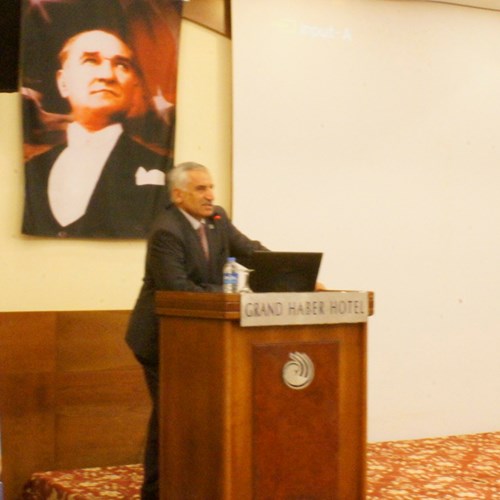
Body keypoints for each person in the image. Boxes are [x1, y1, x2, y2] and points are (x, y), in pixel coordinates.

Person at [126, 162, 268, 499]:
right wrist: (227, 295)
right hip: (160, 340)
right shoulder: (166, 231)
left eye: (211, 187)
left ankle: (189, 485)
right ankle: (155, 491)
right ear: (178, 195)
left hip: (199, 340)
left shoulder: (217, 218)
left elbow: (249, 250)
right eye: (201, 189)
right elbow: (178, 289)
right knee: (170, 415)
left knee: (185, 416)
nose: (210, 195)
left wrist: (291, 272)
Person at [22, 29, 171, 238]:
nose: (107, 75)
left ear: (134, 86)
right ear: (63, 83)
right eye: (91, 61)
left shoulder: (162, 169)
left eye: (121, 65)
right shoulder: (31, 169)